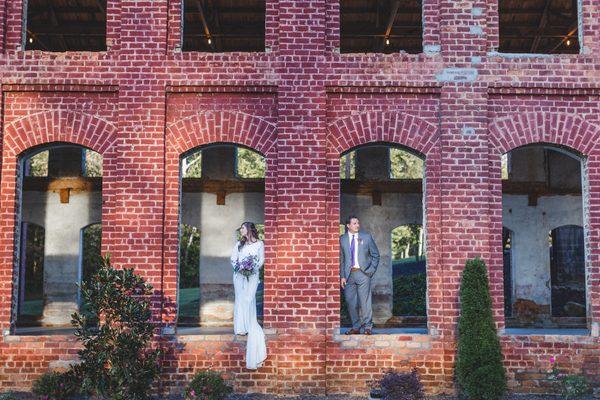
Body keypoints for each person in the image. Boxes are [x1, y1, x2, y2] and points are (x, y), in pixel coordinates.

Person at [230, 222, 267, 369]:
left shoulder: (259, 244)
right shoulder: (239, 244)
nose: (241, 231)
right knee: (240, 298)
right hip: (239, 275)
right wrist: (239, 267)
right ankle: (241, 327)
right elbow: (233, 258)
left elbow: (261, 259)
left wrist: (253, 268)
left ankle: (249, 324)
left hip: (253, 275)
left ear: (249, 229)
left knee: (249, 298)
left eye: (243, 228)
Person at [339, 215, 380, 335]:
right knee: (350, 301)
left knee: (365, 301)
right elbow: (341, 259)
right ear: (348, 226)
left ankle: (368, 326)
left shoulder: (366, 237)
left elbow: (375, 255)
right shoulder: (342, 239)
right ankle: (356, 327)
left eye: (358, 223)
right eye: (354, 223)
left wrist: (370, 271)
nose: (357, 225)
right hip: (348, 275)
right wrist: (342, 276)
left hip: (363, 274)